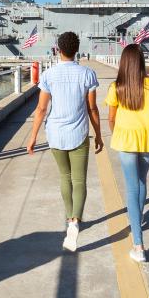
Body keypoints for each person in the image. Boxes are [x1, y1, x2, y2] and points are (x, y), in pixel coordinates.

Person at [27, 31, 103, 252]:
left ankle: (69, 218)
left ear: (58, 49)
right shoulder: (88, 74)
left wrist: (32, 137)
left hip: (56, 135)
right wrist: (98, 134)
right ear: (76, 50)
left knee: (65, 177)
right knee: (79, 181)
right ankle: (75, 222)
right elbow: (92, 108)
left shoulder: (49, 75)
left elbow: (41, 109)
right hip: (79, 133)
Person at [106, 44, 149, 263]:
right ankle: (138, 218)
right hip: (147, 139)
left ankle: (138, 244)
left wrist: (116, 133)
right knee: (141, 182)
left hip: (125, 139)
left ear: (124, 63)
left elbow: (111, 117)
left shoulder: (116, 87)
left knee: (132, 187)